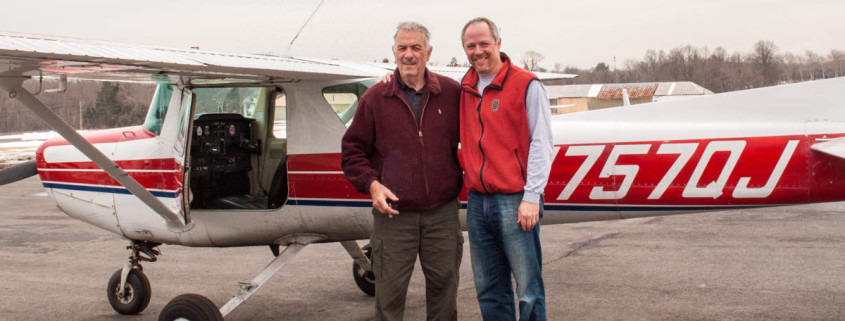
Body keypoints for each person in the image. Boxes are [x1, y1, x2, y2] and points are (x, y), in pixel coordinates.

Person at [341, 21, 463, 321]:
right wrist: (372, 184)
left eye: (416, 48)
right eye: (402, 48)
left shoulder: (451, 92)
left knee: (444, 298)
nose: (409, 55)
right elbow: (352, 151)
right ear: (394, 53)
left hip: (442, 215)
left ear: (428, 52)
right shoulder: (374, 98)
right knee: (389, 299)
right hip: (394, 217)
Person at [459, 17, 554, 321]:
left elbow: (542, 142)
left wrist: (532, 196)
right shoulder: (464, 87)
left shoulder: (527, 84)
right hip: (477, 202)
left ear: (498, 44)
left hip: (516, 200)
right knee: (489, 289)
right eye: (471, 45)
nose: (478, 51)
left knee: (527, 289)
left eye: (484, 43)